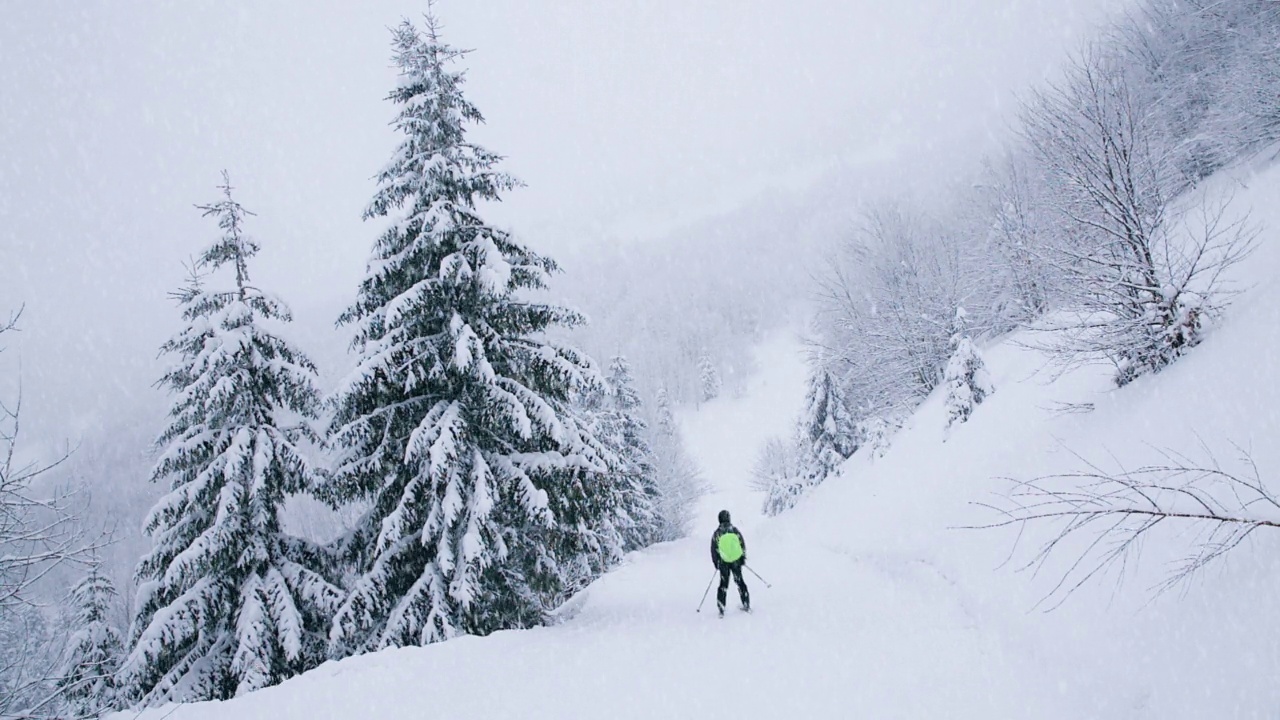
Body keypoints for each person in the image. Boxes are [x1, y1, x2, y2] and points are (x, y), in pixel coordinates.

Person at [710, 509, 750, 617]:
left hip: (723, 562)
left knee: (723, 585)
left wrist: (716, 563)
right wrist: (742, 558)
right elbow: (742, 544)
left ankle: (721, 608)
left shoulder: (717, 533)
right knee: (740, 582)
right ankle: (746, 603)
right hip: (736, 561)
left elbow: (714, 549)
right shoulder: (734, 530)